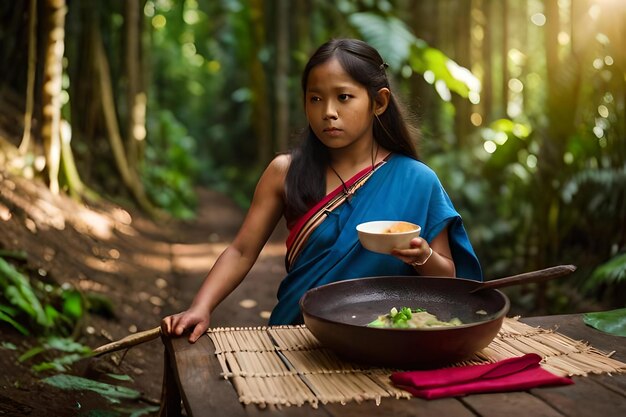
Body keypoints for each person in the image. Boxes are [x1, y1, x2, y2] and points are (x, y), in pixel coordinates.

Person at [161, 38, 482, 342]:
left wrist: (422, 255)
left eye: (343, 97)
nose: (328, 111)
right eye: (316, 98)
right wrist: (200, 307)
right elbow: (241, 251)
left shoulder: (419, 180)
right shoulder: (285, 172)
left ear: (379, 102)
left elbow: (448, 280)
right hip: (297, 336)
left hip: (388, 340)